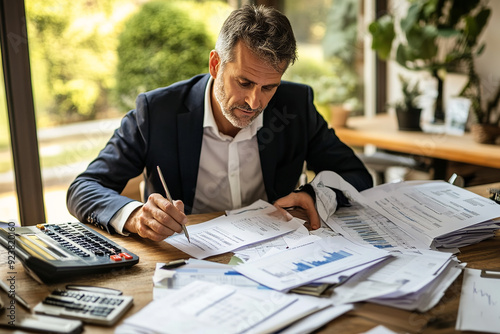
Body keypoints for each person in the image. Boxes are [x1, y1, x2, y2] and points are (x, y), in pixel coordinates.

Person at [67, 4, 372, 241]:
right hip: (183, 260)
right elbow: (84, 188)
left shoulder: (295, 106)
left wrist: (313, 195)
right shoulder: (158, 111)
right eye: (244, 82)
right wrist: (135, 215)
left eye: (269, 87)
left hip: (277, 258)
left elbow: (355, 174)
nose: (255, 102)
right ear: (215, 64)